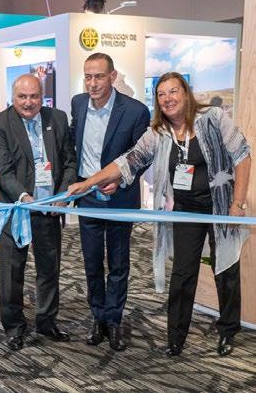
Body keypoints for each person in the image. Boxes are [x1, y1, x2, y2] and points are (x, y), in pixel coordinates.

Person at [68, 72, 250, 357]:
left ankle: (228, 330)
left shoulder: (212, 119)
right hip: (186, 210)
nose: (168, 99)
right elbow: (127, 161)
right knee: (183, 272)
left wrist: (237, 204)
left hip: (220, 206)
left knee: (225, 269)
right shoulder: (159, 133)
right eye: (161, 94)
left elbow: (242, 156)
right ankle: (176, 337)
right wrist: (89, 182)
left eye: (173, 91)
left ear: (185, 93)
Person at [0, 74, 76, 351]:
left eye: (34, 96)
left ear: (42, 96)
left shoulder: (57, 118)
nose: (28, 102)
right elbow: (2, 170)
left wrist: (62, 195)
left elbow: (69, 161)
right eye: (22, 97)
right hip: (16, 209)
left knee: (49, 268)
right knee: (12, 272)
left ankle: (47, 322)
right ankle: (14, 327)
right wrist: (24, 197)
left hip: (50, 209)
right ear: (12, 98)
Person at [70, 53, 150, 351]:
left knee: (118, 263)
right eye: (88, 76)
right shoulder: (78, 103)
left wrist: (123, 179)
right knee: (92, 261)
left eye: (99, 77)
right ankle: (98, 318)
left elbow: (143, 156)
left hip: (120, 197)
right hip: (88, 196)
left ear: (112, 77)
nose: (92, 83)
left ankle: (114, 320)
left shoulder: (136, 111)